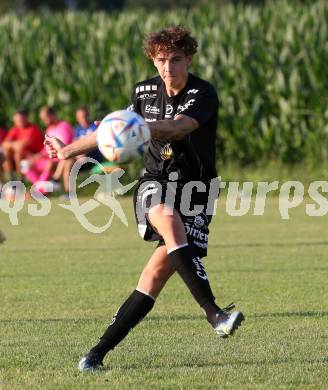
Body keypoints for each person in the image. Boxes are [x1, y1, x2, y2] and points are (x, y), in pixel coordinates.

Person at [44, 26, 244, 372]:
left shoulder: (203, 93)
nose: (168, 68)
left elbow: (179, 128)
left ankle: (95, 354)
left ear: (189, 59)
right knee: (166, 217)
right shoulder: (144, 91)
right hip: (156, 180)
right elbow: (109, 130)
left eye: (176, 60)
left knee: (152, 278)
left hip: (197, 189)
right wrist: (66, 152)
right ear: (153, 60)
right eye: (162, 60)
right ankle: (215, 314)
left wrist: (136, 128)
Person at [39, 106, 74, 197]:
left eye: (45, 118)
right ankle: (41, 191)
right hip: (54, 158)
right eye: (42, 119)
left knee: (66, 159)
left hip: (66, 156)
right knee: (30, 163)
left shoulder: (64, 126)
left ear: (53, 115)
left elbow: (66, 145)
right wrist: (36, 156)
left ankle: (56, 181)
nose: (44, 121)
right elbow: (45, 149)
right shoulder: (49, 130)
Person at [1, 110, 43, 182]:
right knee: (5, 152)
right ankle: (10, 178)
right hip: (20, 155)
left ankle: (20, 179)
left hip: (34, 155)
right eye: (16, 120)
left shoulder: (33, 129)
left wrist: (11, 144)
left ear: (26, 118)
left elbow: (22, 146)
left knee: (18, 153)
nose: (18, 122)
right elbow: (4, 144)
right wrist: (13, 144)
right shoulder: (15, 129)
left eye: (20, 120)